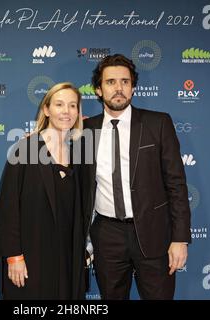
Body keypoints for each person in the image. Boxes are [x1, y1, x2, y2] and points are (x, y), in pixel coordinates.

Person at [80, 54, 191, 300]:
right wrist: (34, 140)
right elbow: (56, 156)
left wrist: (180, 238)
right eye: (110, 82)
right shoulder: (87, 130)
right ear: (98, 90)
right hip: (107, 234)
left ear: (133, 88)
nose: (118, 88)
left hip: (154, 233)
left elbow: (176, 185)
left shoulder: (158, 123)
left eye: (125, 82)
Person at [0, 82, 86, 299]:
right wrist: (14, 256)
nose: (66, 111)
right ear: (46, 109)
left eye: (73, 106)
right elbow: (8, 207)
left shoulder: (79, 153)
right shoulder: (26, 149)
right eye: (60, 104)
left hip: (68, 258)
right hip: (32, 255)